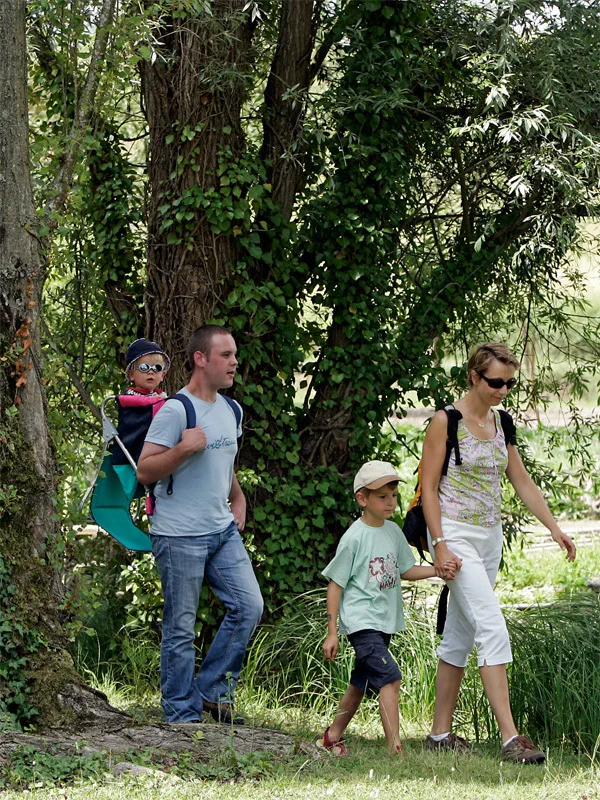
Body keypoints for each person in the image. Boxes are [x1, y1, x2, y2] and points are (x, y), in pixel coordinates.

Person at [421, 342, 576, 764]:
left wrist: (555, 528)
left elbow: (520, 479)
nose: (503, 390)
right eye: (495, 382)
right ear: (474, 376)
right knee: (491, 626)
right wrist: (440, 543)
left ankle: (438, 735)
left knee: (460, 633)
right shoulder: (445, 421)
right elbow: (428, 489)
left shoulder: (502, 422)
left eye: (509, 384)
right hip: (454, 535)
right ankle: (511, 739)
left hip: (490, 538)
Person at [136, 325, 263, 724]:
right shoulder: (177, 410)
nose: (234, 362)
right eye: (226, 355)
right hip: (179, 535)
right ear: (200, 359)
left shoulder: (231, 410)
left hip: (221, 531)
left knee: (249, 606)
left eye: (234, 355)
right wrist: (182, 448)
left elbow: (224, 462)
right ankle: (180, 712)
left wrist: (238, 497)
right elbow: (145, 470)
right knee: (180, 628)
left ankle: (211, 691)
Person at [320, 460, 461, 755]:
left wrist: (438, 570)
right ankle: (395, 748)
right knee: (391, 678)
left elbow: (405, 570)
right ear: (362, 499)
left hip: (384, 622)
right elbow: (335, 585)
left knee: (360, 683)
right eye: (383, 497)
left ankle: (332, 736)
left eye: (394, 496)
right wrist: (332, 632)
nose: (391, 502)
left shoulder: (394, 532)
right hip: (361, 623)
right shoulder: (354, 538)